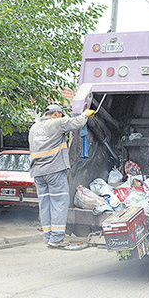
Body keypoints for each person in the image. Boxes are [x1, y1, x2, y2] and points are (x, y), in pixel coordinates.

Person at [29, 104, 94, 248]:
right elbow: (76, 122)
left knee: (45, 205)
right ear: (57, 113)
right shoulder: (57, 123)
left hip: (38, 174)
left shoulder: (34, 128)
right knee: (59, 203)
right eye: (61, 115)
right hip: (54, 171)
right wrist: (86, 114)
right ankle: (57, 239)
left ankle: (48, 237)